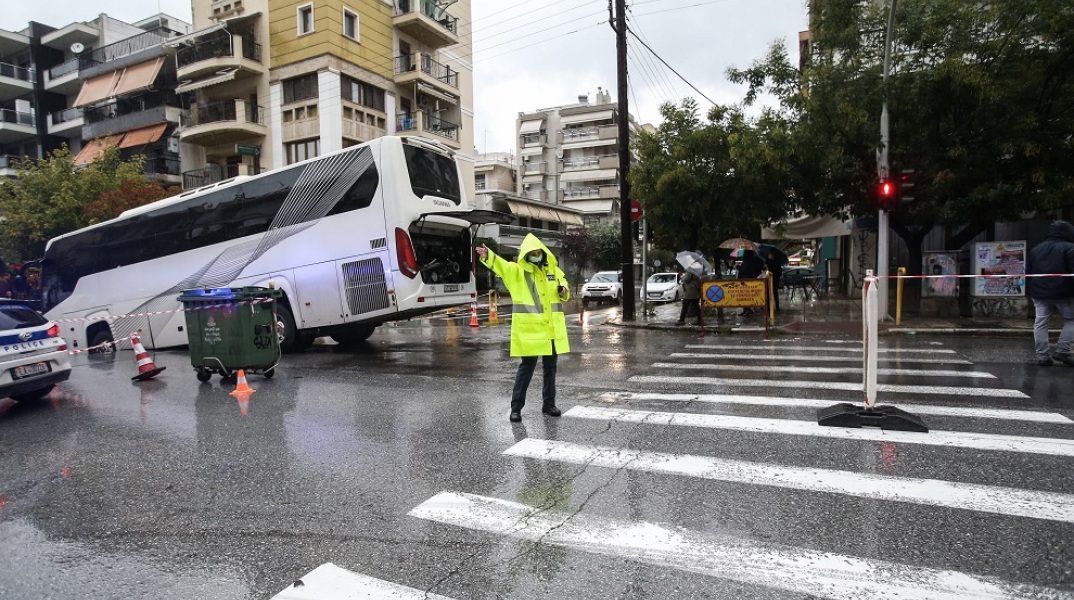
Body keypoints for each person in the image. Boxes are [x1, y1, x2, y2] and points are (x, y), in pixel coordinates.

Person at [476, 234, 571, 421]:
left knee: (550, 368)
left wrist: (563, 291)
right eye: (533, 253)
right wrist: (489, 256)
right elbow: (502, 267)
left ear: (544, 254)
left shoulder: (553, 271)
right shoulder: (518, 272)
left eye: (539, 252)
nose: (536, 255)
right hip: (530, 331)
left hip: (551, 329)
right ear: (526, 255)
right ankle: (516, 408)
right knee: (526, 368)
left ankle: (549, 404)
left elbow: (564, 286)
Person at [1026, 220, 1074, 366]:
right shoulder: (1070, 248)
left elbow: (1028, 273)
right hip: (1064, 293)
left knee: (1040, 323)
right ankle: (1062, 351)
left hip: (1039, 293)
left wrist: (1029, 291)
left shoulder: (1036, 249)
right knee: (1072, 319)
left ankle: (1043, 356)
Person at [736, 249, 765, 316]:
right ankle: (746, 310)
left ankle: (748, 310)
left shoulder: (748, 261)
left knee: (745, 297)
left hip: (745, 282)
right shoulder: (753, 260)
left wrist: (737, 267)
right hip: (749, 281)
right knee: (746, 297)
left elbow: (744, 270)